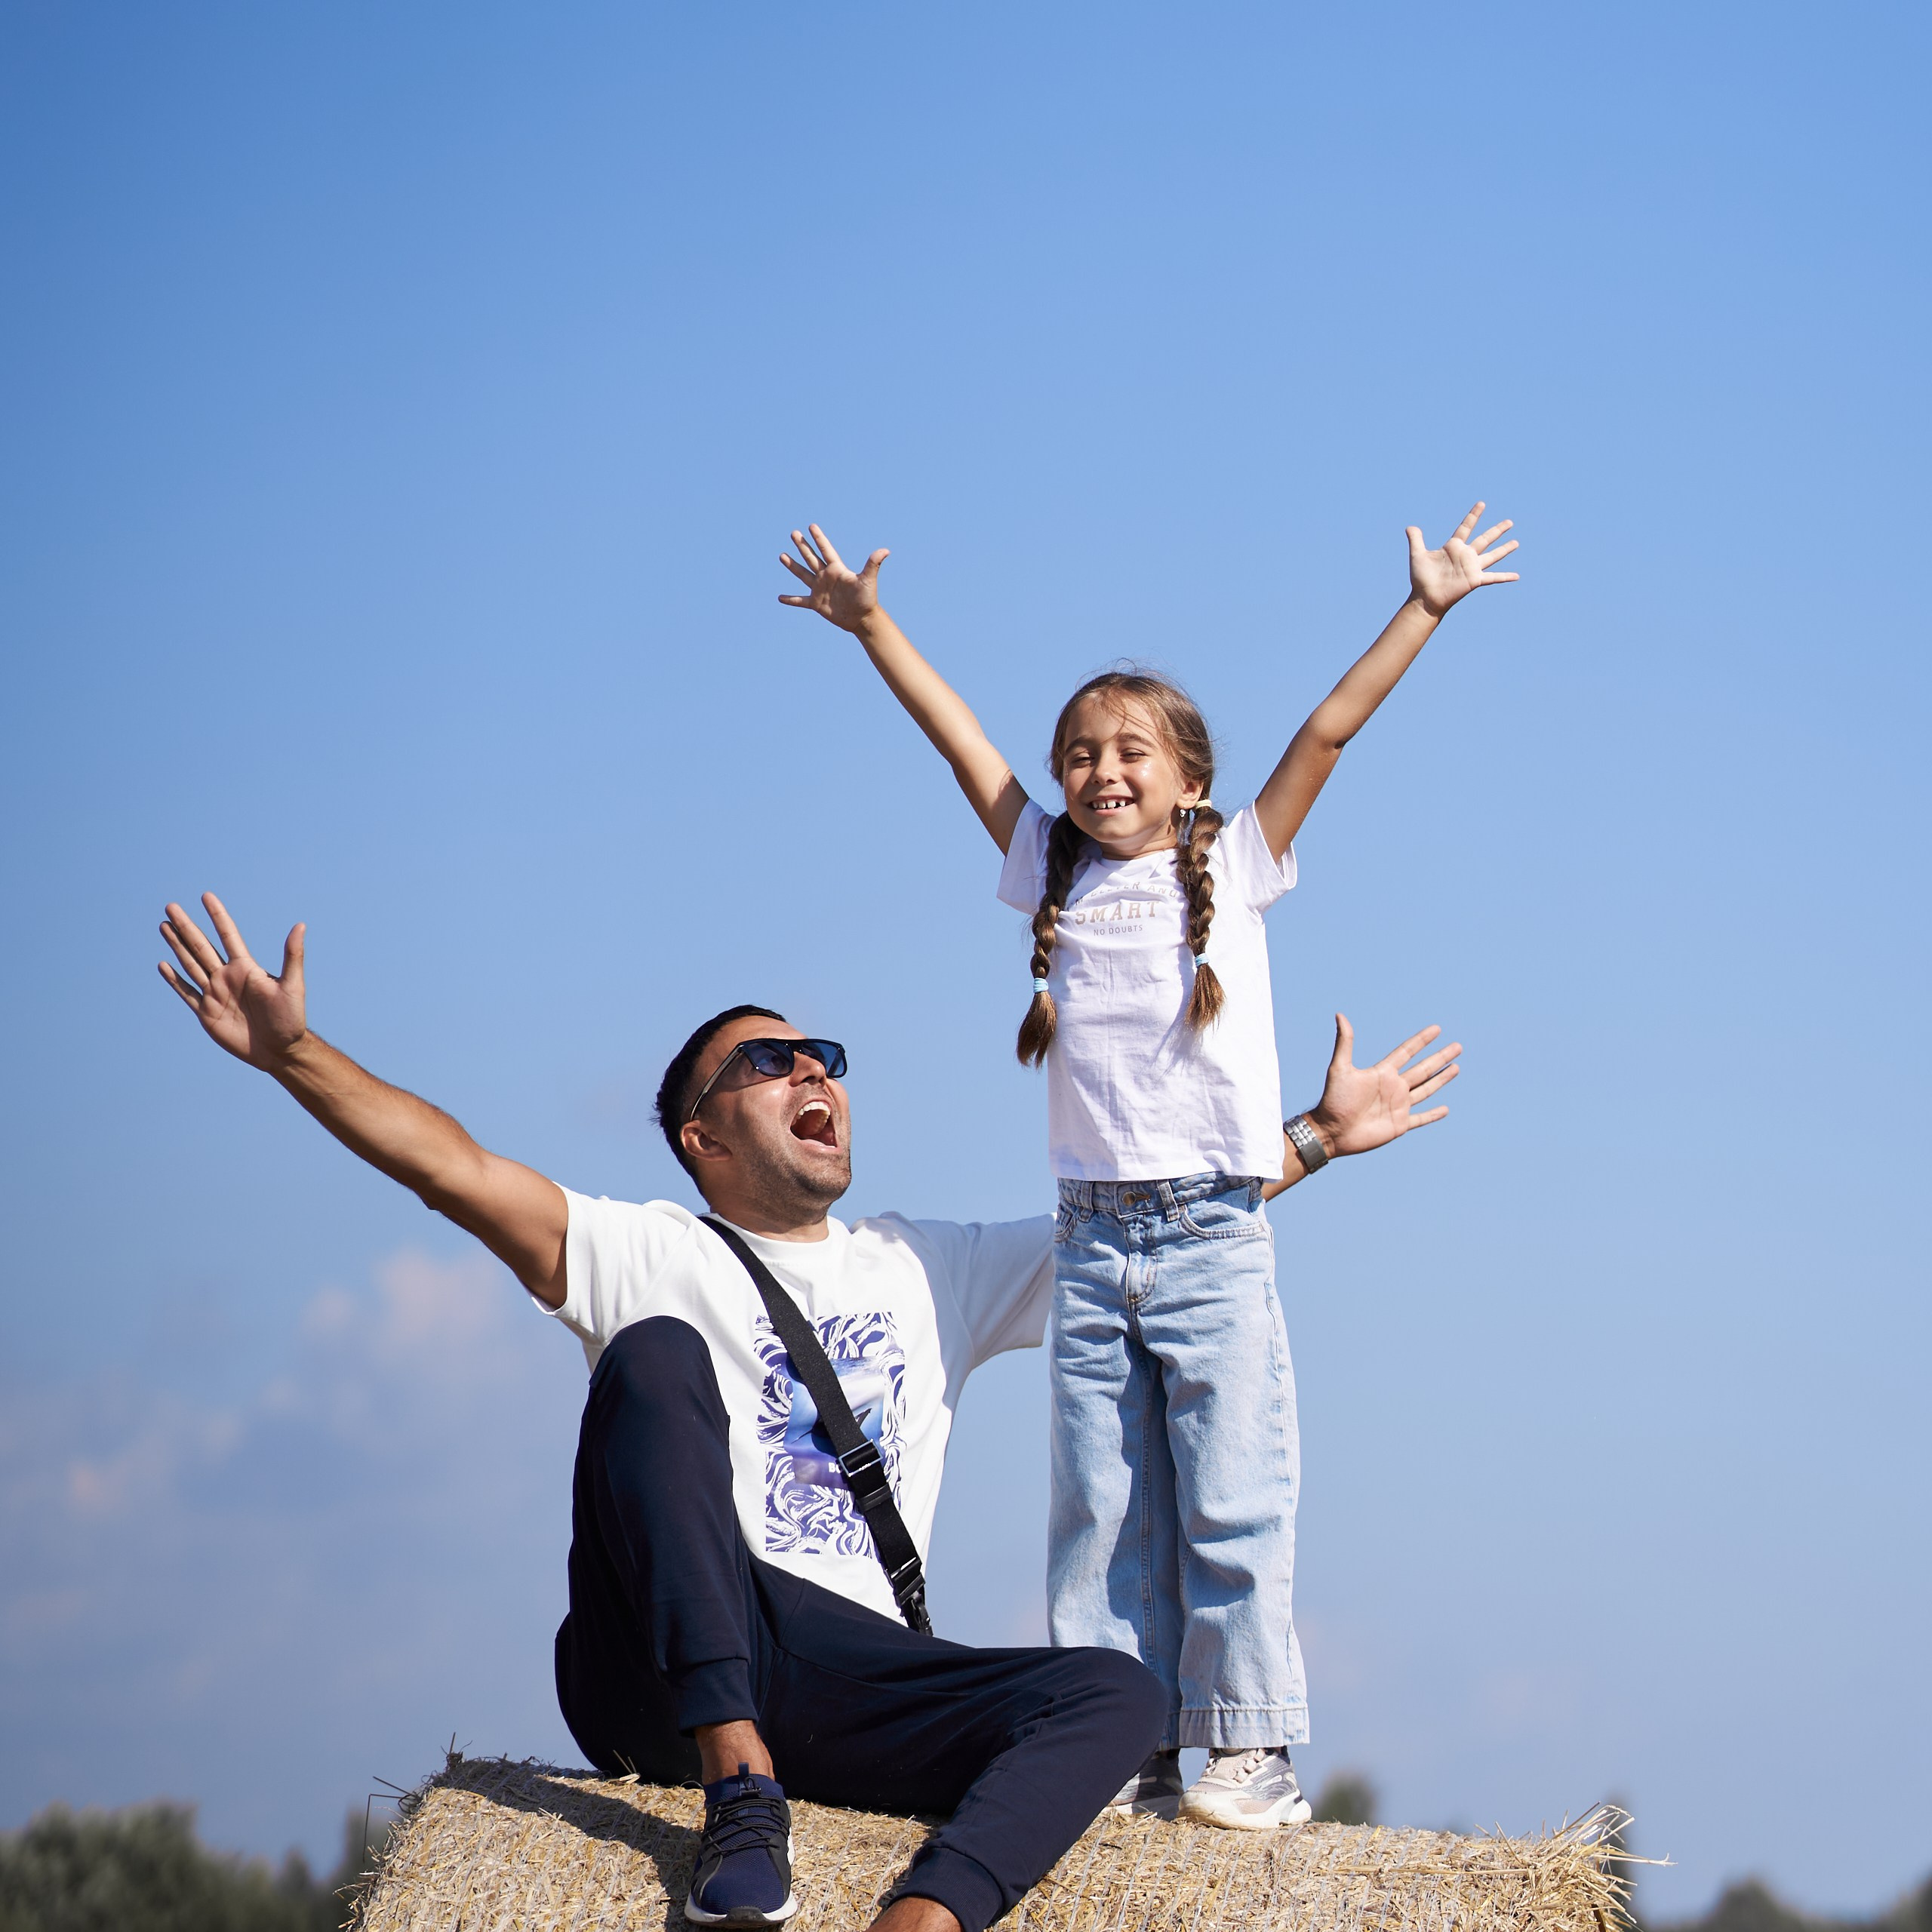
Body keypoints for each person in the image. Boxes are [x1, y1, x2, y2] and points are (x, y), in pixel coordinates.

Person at [156, 894, 1459, 1929]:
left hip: (850, 1674)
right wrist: (294, 1056)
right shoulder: (642, 1248)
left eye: (821, 1058)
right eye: (767, 1062)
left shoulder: (928, 1265)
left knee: (1116, 1695)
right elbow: (452, 1169)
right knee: (652, 1358)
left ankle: (927, 1917)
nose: (809, 1073)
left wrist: (1316, 1135)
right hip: (666, 1656)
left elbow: (1145, 1236)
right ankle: (740, 1785)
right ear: (700, 1134)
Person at [778, 507, 1511, 1828]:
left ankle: (1246, 1746)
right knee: (1100, 1516)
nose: (1099, 770)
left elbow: (1327, 733)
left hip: (1214, 1236)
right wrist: (872, 624)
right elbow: (960, 743)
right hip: (1091, 1240)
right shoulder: (1046, 865)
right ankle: (1116, 1741)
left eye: (1129, 751)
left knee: (1231, 1499)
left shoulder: (1236, 861)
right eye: (1079, 753)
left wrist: (1425, 606)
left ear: (1188, 779)